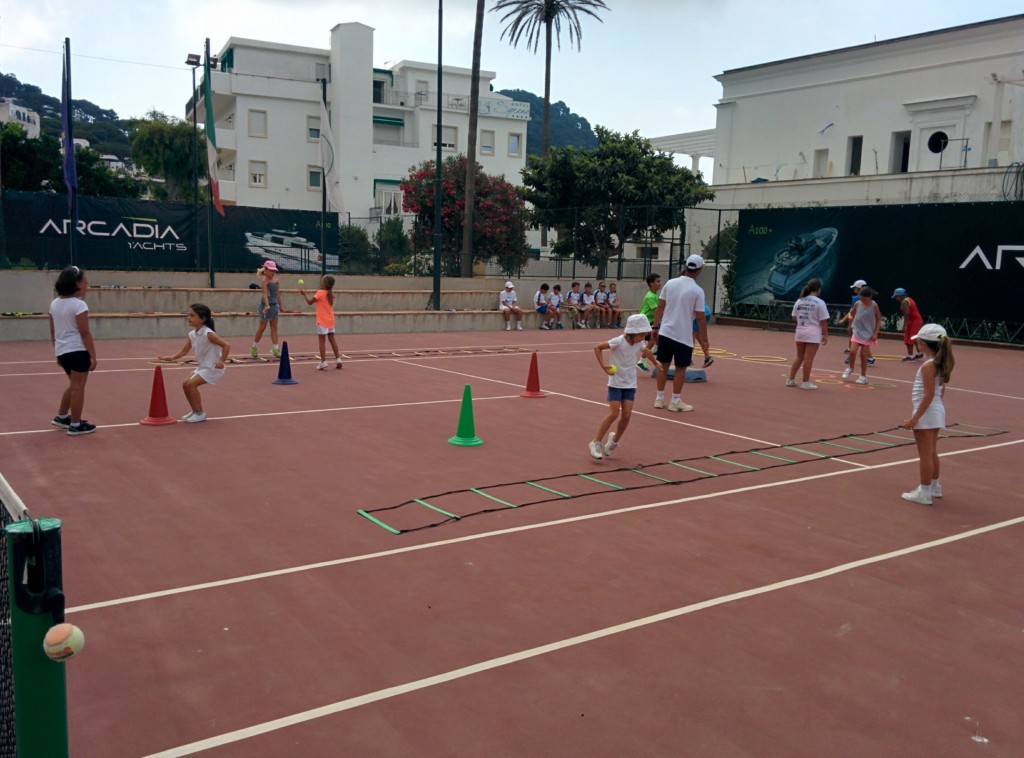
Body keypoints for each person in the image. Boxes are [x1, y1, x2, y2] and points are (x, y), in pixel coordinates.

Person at [588, 314, 662, 460]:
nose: (643, 338)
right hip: (616, 382)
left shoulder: (638, 343)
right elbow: (597, 347)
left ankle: (614, 440)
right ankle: (595, 442)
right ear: (633, 333)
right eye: (641, 335)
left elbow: (646, 350)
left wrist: (655, 362)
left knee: (627, 415)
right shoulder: (618, 341)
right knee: (614, 413)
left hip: (630, 383)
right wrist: (603, 366)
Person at [899, 323, 955, 505]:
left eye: (919, 341)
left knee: (925, 454)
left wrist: (915, 418)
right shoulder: (938, 363)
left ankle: (924, 492)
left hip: (927, 412)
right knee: (931, 452)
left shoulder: (928, 366)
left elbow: (929, 394)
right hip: (935, 411)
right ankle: (935, 486)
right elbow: (940, 390)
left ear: (923, 344)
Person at [651, 255, 710, 411]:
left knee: (663, 366)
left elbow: (660, 307)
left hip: (665, 332)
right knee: (680, 369)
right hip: (683, 336)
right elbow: (701, 318)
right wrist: (705, 340)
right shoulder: (698, 290)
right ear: (701, 268)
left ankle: (659, 398)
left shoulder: (670, 283)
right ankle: (675, 401)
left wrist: (655, 328)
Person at [158, 303, 231, 423]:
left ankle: (200, 413)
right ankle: (194, 411)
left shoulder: (208, 334)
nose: (188, 317)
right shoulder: (192, 334)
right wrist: (171, 358)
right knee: (185, 384)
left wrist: (222, 361)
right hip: (203, 367)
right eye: (188, 315)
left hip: (213, 368)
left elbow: (226, 345)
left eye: (192, 315)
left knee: (191, 385)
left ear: (202, 319)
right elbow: (184, 351)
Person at [49, 265, 98, 436]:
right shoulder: (79, 305)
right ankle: (76, 424)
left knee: (74, 385)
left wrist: (57, 352)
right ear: (76, 284)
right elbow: (84, 332)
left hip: (63, 350)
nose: (87, 284)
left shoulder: (54, 304)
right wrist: (93, 355)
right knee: (78, 387)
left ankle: (62, 417)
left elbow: (53, 331)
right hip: (77, 350)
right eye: (84, 281)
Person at [786, 278, 829, 389]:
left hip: (800, 331)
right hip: (813, 333)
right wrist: (825, 335)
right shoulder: (820, 302)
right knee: (808, 358)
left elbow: (794, 317)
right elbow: (823, 321)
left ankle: (790, 379)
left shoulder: (800, 301)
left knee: (799, 357)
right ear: (818, 289)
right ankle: (805, 382)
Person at [299, 275, 342, 369]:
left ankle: (323, 361)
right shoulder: (330, 295)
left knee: (322, 341)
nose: (321, 283)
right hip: (331, 320)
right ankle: (338, 359)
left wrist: (304, 294)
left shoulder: (320, 292)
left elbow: (310, 302)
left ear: (325, 284)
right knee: (332, 340)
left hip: (322, 321)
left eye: (322, 281)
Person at [842, 285, 881, 385]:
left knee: (863, 354)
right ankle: (850, 368)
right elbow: (851, 313)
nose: (862, 300)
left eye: (864, 298)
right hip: (857, 331)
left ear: (869, 297)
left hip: (868, 333)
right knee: (852, 351)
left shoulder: (874, 306)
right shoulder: (857, 303)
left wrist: (875, 333)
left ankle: (863, 376)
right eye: (861, 297)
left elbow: (878, 319)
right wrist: (850, 318)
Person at [251, 260, 285, 358]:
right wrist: (267, 306)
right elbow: (265, 294)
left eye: (274, 270)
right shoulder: (264, 281)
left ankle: (275, 349)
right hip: (265, 307)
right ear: (265, 270)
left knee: (274, 328)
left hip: (274, 307)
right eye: (271, 270)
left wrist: (281, 306)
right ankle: (254, 347)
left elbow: (278, 295)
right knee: (261, 328)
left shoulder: (276, 281)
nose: (273, 272)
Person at [840, 279, 874, 365]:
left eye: (855, 288)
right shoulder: (871, 299)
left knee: (856, 340)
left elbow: (852, 312)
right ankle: (869, 358)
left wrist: (849, 324)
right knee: (863, 341)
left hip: (858, 323)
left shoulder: (856, 298)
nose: (854, 290)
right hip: (866, 324)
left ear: (858, 289)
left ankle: (853, 357)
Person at [637, 272, 662, 374]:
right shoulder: (650, 296)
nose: (660, 283)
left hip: (649, 321)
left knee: (653, 339)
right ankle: (642, 360)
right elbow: (656, 312)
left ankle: (643, 360)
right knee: (652, 339)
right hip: (644, 321)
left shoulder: (655, 295)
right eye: (658, 281)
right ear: (651, 284)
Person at [892, 287, 925, 360]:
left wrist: (905, 325)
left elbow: (907, 313)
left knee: (908, 338)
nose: (896, 298)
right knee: (915, 338)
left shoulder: (904, 302)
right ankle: (919, 353)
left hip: (913, 321)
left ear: (901, 295)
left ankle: (910, 356)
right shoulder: (910, 300)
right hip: (917, 320)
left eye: (897, 296)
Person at [692, 304, 715, 369]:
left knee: (692, 333)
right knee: (697, 334)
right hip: (707, 311)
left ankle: (688, 358)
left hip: (699, 313)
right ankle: (707, 357)